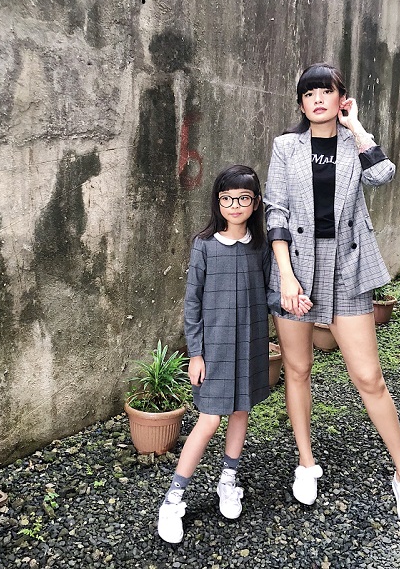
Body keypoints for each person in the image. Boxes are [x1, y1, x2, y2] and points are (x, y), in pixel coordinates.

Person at [264, 62, 400, 530]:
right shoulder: (286, 146)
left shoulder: (354, 143)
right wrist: (286, 276)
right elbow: (276, 210)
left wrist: (356, 127)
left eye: (326, 92)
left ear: (341, 99)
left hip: (347, 266)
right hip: (296, 267)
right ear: (301, 103)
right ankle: (306, 462)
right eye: (309, 93)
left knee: (369, 377)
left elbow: (384, 175)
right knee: (297, 369)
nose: (317, 99)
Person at [157, 165, 271, 543]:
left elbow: (270, 291)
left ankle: (228, 479)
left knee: (241, 411)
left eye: (243, 198)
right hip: (215, 349)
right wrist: (196, 353)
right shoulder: (204, 245)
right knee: (208, 420)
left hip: (251, 344)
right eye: (226, 199)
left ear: (255, 203)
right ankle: (173, 498)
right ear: (217, 202)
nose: (234, 205)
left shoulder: (261, 246)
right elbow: (192, 304)